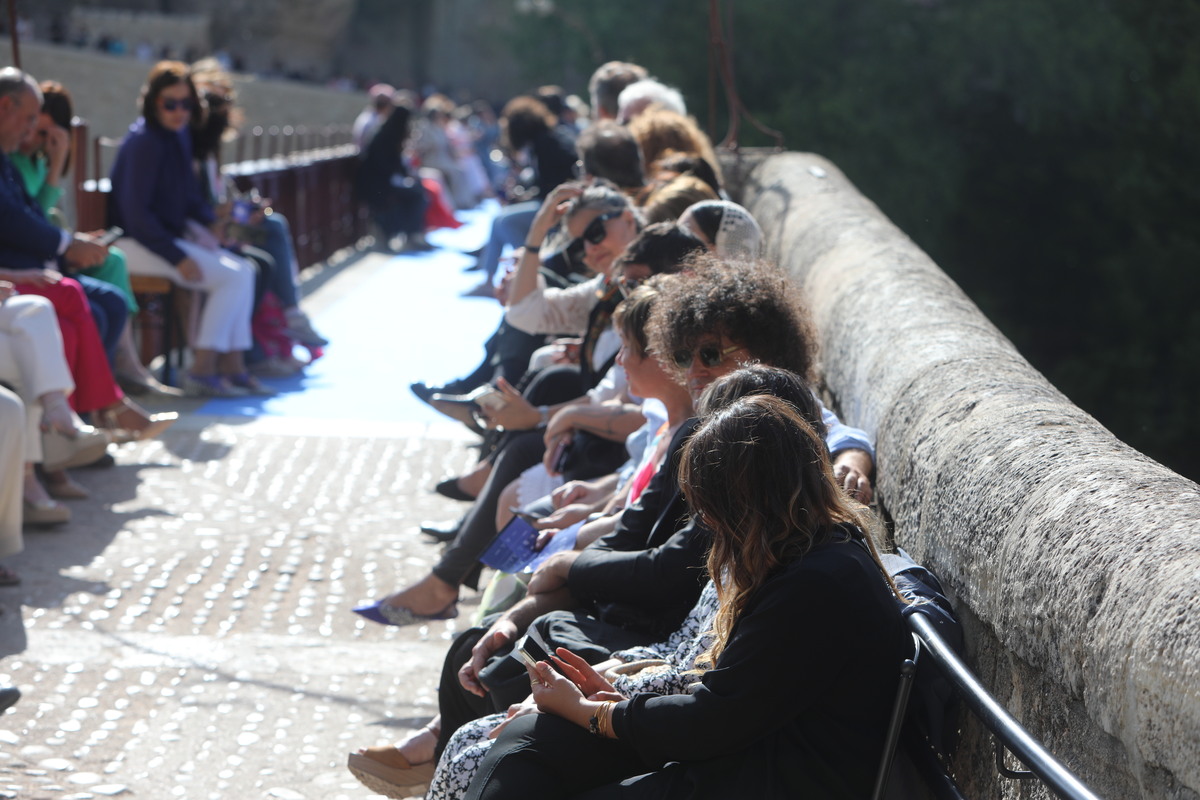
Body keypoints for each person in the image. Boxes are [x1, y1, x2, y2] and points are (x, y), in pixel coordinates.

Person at [464, 393, 906, 800]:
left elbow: (715, 719)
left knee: (535, 755)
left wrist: (590, 712)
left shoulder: (814, 585)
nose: (709, 524)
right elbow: (736, 701)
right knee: (525, 744)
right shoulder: (819, 554)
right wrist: (612, 704)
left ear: (746, 504)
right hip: (749, 757)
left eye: (712, 508)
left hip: (771, 779)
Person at [0, 68, 177, 441]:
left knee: (108, 302)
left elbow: (31, 215)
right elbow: (13, 221)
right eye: (30, 119)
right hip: (18, 269)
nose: (31, 130)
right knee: (76, 304)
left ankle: (89, 417)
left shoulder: (10, 159)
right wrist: (65, 246)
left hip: (27, 267)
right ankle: (90, 418)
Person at [108, 60, 261, 398]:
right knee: (233, 276)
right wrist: (177, 257)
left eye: (186, 103)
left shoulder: (174, 138)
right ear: (153, 102)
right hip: (135, 245)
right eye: (170, 103)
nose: (179, 111)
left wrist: (212, 219)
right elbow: (136, 216)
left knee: (244, 271)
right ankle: (203, 369)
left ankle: (232, 366)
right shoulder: (145, 141)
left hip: (159, 241)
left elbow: (188, 197)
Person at [356, 99, 431, 253]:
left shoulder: (390, 136)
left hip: (385, 182)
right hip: (377, 185)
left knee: (419, 191)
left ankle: (413, 234)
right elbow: (385, 167)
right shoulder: (385, 138)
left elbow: (397, 165)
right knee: (416, 194)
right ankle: (411, 235)